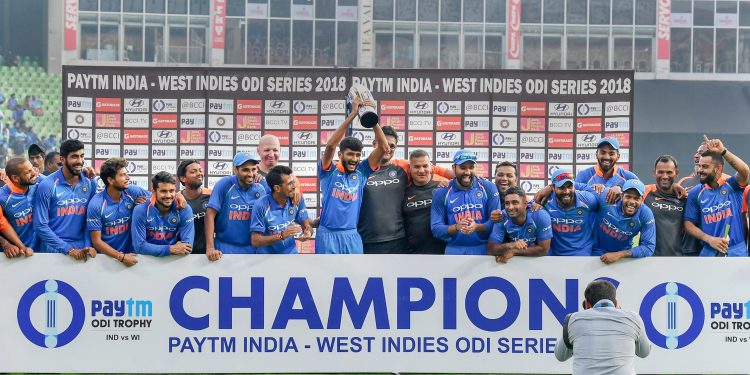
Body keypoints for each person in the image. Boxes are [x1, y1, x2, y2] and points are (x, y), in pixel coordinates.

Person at [317, 98, 389, 254]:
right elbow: (330, 145)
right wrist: (353, 114)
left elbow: (384, 147)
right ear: (340, 154)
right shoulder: (328, 171)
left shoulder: (361, 172)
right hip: (327, 235)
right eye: (350, 154)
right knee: (326, 278)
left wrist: (370, 117)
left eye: (358, 155)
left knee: (355, 277)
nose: (354, 159)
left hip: (352, 235)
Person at [554, 279, 650, 374]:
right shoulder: (633, 318)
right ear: (616, 302)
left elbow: (560, 355)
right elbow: (644, 352)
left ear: (586, 302)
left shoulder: (573, 319)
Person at [684, 135, 749, 257]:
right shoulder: (696, 192)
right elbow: (688, 224)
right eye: (699, 166)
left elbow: (745, 171)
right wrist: (709, 239)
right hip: (709, 251)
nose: (700, 170)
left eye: (705, 166)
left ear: (718, 168)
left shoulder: (732, 185)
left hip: (736, 252)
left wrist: (723, 151)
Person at [33, 139, 97, 260]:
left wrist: (88, 245)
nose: (80, 161)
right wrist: (67, 249)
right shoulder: (47, 185)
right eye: (74, 157)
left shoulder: (90, 183)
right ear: (62, 159)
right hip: (53, 249)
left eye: (82, 156)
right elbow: (40, 226)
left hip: (81, 249)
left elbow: (90, 220)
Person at [431, 150, 499, 255]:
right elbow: (436, 228)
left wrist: (477, 227)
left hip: (483, 248)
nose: (467, 172)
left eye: (471, 167)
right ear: (454, 168)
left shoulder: (488, 187)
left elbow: (496, 222)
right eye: (462, 168)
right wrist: (456, 227)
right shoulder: (442, 192)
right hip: (454, 249)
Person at [205, 153, 270, 260]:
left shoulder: (262, 186)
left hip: (254, 251)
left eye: (253, 169)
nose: (250, 174)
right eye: (245, 170)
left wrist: (295, 194)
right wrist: (210, 248)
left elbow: (280, 199)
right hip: (225, 248)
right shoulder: (224, 184)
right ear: (235, 169)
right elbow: (210, 215)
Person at [87, 158, 150, 266]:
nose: (128, 178)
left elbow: (160, 198)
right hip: (107, 260)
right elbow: (96, 241)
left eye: (127, 174)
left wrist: (179, 196)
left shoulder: (131, 191)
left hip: (133, 257)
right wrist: (120, 257)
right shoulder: (96, 204)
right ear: (110, 180)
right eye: (122, 175)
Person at [358, 125, 409, 254]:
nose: (388, 148)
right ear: (374, 143)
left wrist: (442, 182)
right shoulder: (360, 170)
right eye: (384, 144)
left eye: (392, 146)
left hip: (398, 241)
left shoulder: (403, 168)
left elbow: (432, 171)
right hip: (366, 240)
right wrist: (296, 186)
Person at [250, 165, 313, 254]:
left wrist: (308, 233)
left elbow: (307, 227)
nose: (295, 186)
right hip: (265, 259)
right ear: (277, 188)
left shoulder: (297, 199)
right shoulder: (261, 205)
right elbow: (255, 241)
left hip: (291, 254)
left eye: (293, 182)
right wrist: (281, 236)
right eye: (290, 183)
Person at [131, 172, 194, 257]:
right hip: (146, 262)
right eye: (163, 191)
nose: (168, 195)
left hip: (173, 261)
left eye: (171, 191)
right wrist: (170, 249)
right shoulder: (141, 209)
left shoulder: (184, 209)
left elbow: (187, 248)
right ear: (154, 191)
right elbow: (139, 247)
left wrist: (155, 249)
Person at [593, 179, 656, 264]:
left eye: (636, 198)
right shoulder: (607, 197)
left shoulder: (645, 213)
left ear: (642, 200)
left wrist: (619, 255)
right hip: (595, 252)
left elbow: (649, 247)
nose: (631, 202)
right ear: (622, 196)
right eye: (628, 197)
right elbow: (578, 187)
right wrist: (597, 187)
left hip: (622, 258)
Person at [543, 169, 601, 256]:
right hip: (554, 253)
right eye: (561, 187)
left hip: (582, 252)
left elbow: (605, 205)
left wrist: (617, 187)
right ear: (553, 188)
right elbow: (527, 206)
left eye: (569, 186)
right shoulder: (545, 200)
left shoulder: (587, 199)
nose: (566, 191)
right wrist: (535, 205)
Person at [487, 186, 552, 263]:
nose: (510, 207)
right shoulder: (502, 217)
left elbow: (544, 250)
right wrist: (510, 245)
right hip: (515, 264)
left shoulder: (540, 215)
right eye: (507, 203)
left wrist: (514, 251)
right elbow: (491, 249)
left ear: (525, 204)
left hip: (540, 262)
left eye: (515, 202)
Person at [402, 150, 447, 254]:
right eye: (417, 167)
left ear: (431, 167)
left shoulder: (443, 188)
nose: (422, 170)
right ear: (409, 169)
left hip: (441, 253)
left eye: (425, 166)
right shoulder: (403, 192)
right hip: (412, 254)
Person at [643, 155, 689, 256]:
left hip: (677, 259)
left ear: (676, 174)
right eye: (660, 172)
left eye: (669, 172)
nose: (664, 176)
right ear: (654, 173)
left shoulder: (684, 198)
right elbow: (626, 194)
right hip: (648, 259)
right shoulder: (644, 192)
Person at [574, 137, 639, 203]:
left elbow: (639, 200)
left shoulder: (629, 177)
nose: (607, 157)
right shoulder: (584, 175)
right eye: (603, 152)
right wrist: (592, 190)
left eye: (611, 154)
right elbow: (573, 201)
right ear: (596, 154)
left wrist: (621, 188)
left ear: (618, 156)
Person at [0, 157, 39, 256]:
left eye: (32, 168)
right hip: (17, 255)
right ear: (15, 178)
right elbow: (3, 225)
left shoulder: (38, 183)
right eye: (28, 172)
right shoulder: (3, 197)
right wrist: (6, 244)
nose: (34, 173)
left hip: (42, 251)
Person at [177, 159, 210, 255]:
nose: (199, 174)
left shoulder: (211, 195)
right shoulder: (175, 199)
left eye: (200, 170)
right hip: (182, 255)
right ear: (183, 178)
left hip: (208, 255)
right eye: (193, 172)